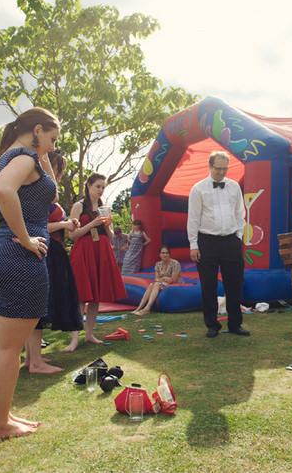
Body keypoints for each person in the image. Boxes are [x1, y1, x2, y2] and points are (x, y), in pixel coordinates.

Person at [0, 107, 60, 440]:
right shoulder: (25, 157)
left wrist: (43, 153)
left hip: (0, 253)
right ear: (37, 129)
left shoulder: (9, 156)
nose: (54, 147)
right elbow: (3, 192)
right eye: (52, 138)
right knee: (9, 348)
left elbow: (36, 190)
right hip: (19, 256)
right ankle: (0, 424)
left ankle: (2, 414)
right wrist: (26, 238)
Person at [23, 150, 81, 373]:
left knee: (40, 306)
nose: (60, 175)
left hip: (52, 250)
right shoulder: (40, 194)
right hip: (45, 251)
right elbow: (36, 227)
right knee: (39, 306)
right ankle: (35, 361)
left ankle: (32, 358)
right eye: (59, 170)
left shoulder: (46, 194)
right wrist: (64, 225)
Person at [187, 151, 248, 338]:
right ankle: (212, 325)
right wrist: (193, 245)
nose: (221, 172)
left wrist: (238, 235)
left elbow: (240, 213)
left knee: (235, 283)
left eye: (224, 169)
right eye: (218, 168)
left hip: (231, 240)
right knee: (208, 285)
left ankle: (235, 324)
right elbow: (193, 218)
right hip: (207, 241)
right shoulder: (198, 189)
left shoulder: (234, 186)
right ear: (210, 166)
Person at [68, 173, 127, 350]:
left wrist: (107, 224)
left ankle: (89, 334)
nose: (101, 190)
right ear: (88, 185)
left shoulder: (104, 207)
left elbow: (109, 236)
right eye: (98, 186)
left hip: (101, 251)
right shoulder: (78, 206)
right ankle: (74, 338)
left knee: (95, 298)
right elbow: (72, 235)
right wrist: (92, 224)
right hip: (83, 251)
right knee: (80, 296)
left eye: (103, 187)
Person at [132, 245, 181, 316]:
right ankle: (139, 308)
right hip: (163, 283)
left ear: (169, 254)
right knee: (152, 284)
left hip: (174, 284)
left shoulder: (175, 263)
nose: (165, 255)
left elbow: (173, 280)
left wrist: (162, 279)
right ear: (160, 254)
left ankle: (147, 308)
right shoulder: (158, 264)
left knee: (156, 284)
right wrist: (164, 278)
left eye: (167, 253)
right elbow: (156, 279)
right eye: (163, 253)